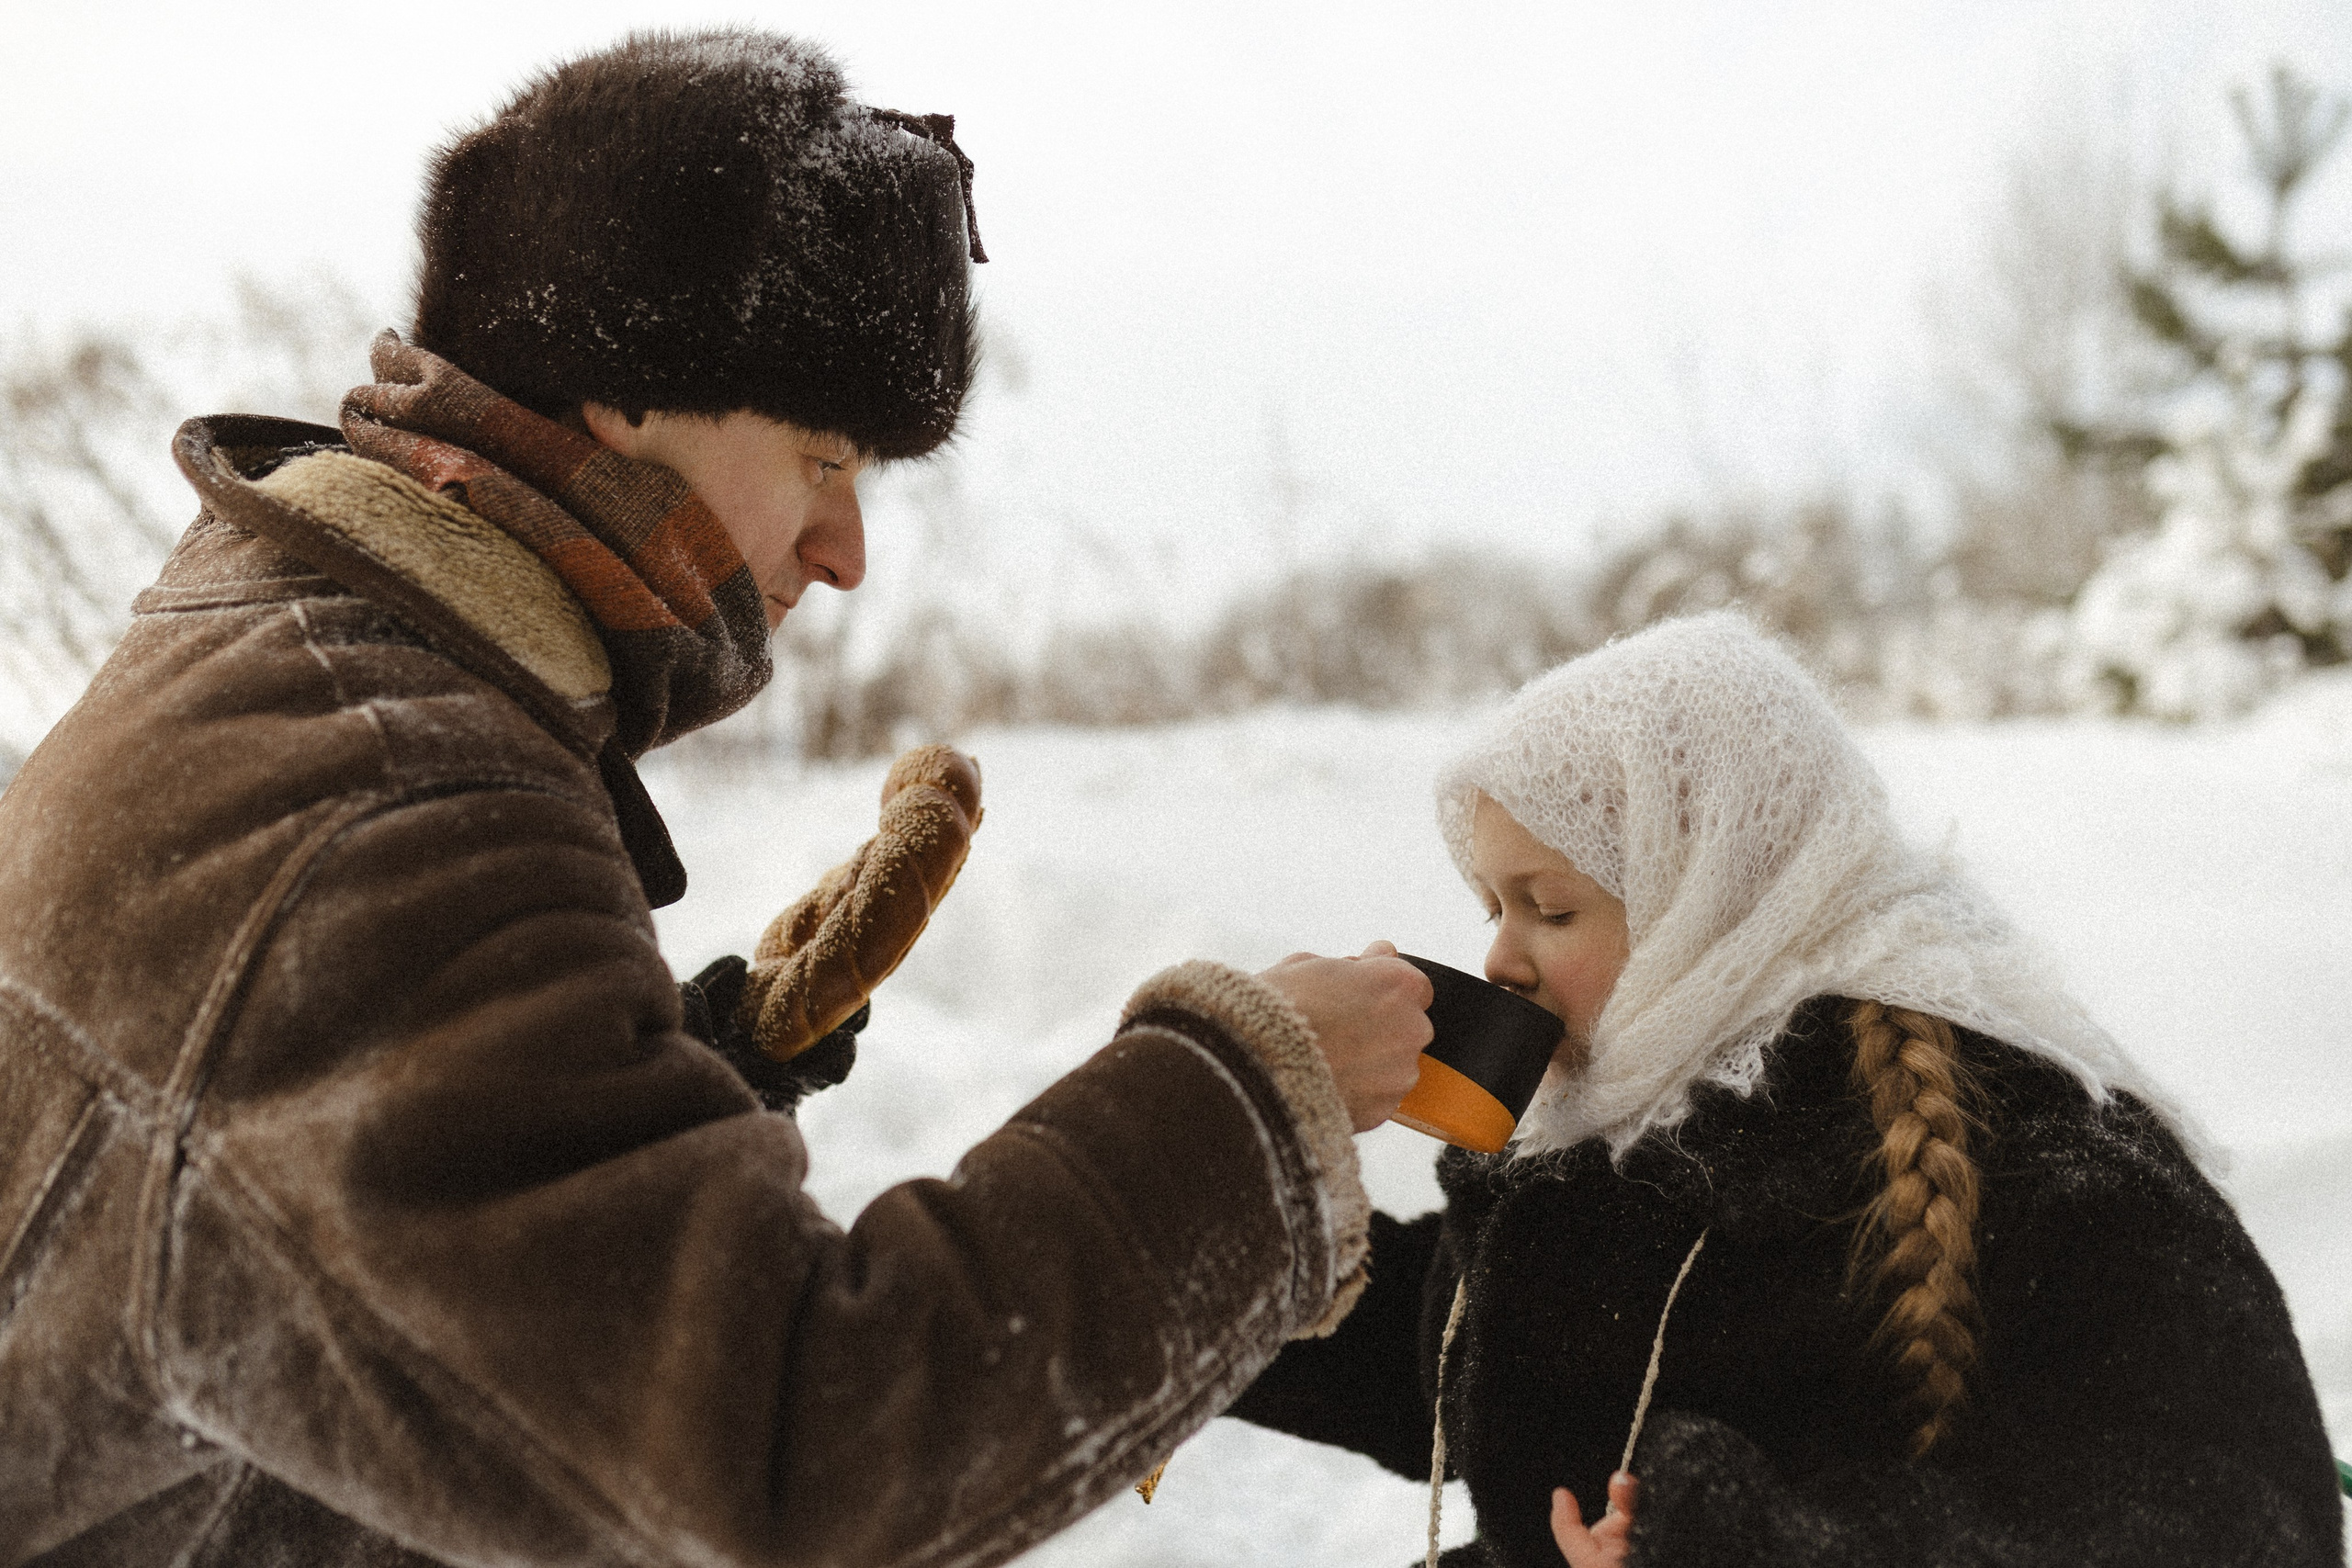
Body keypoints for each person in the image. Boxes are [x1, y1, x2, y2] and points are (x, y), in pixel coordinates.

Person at [0, 30, 1432, 1567]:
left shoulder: (305, 659)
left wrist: (691, 1070)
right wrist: (1248, 1102)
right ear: (621, 388)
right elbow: (794, 1456)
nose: (848, 549)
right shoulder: (392, 805)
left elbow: (333, 1296)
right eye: (824, 457)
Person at [1227, 612, 2343, 1568]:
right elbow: (1481, 1364)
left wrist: (1757, 1542)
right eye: (1492, 909)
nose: (1505, 960)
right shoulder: (1604, 1134)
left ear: (1714, 885)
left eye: (1550, 907)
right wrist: (1200, 1250)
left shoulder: (2034, 1149)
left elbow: (2229, 1518)